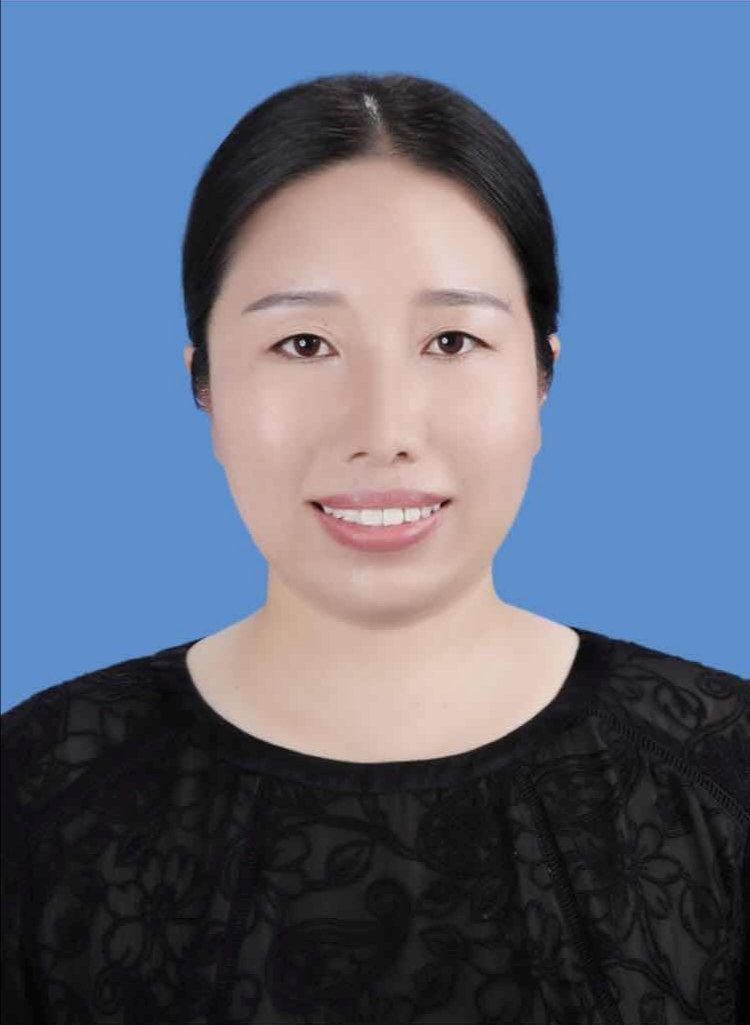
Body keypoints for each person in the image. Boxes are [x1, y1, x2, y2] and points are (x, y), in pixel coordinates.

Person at [2, 71, 748, 1025]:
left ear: (543, 377)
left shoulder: (724, 771)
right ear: (205, 387)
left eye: (452, 341)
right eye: (304, 344)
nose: (383, 430)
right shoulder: (38, 790)